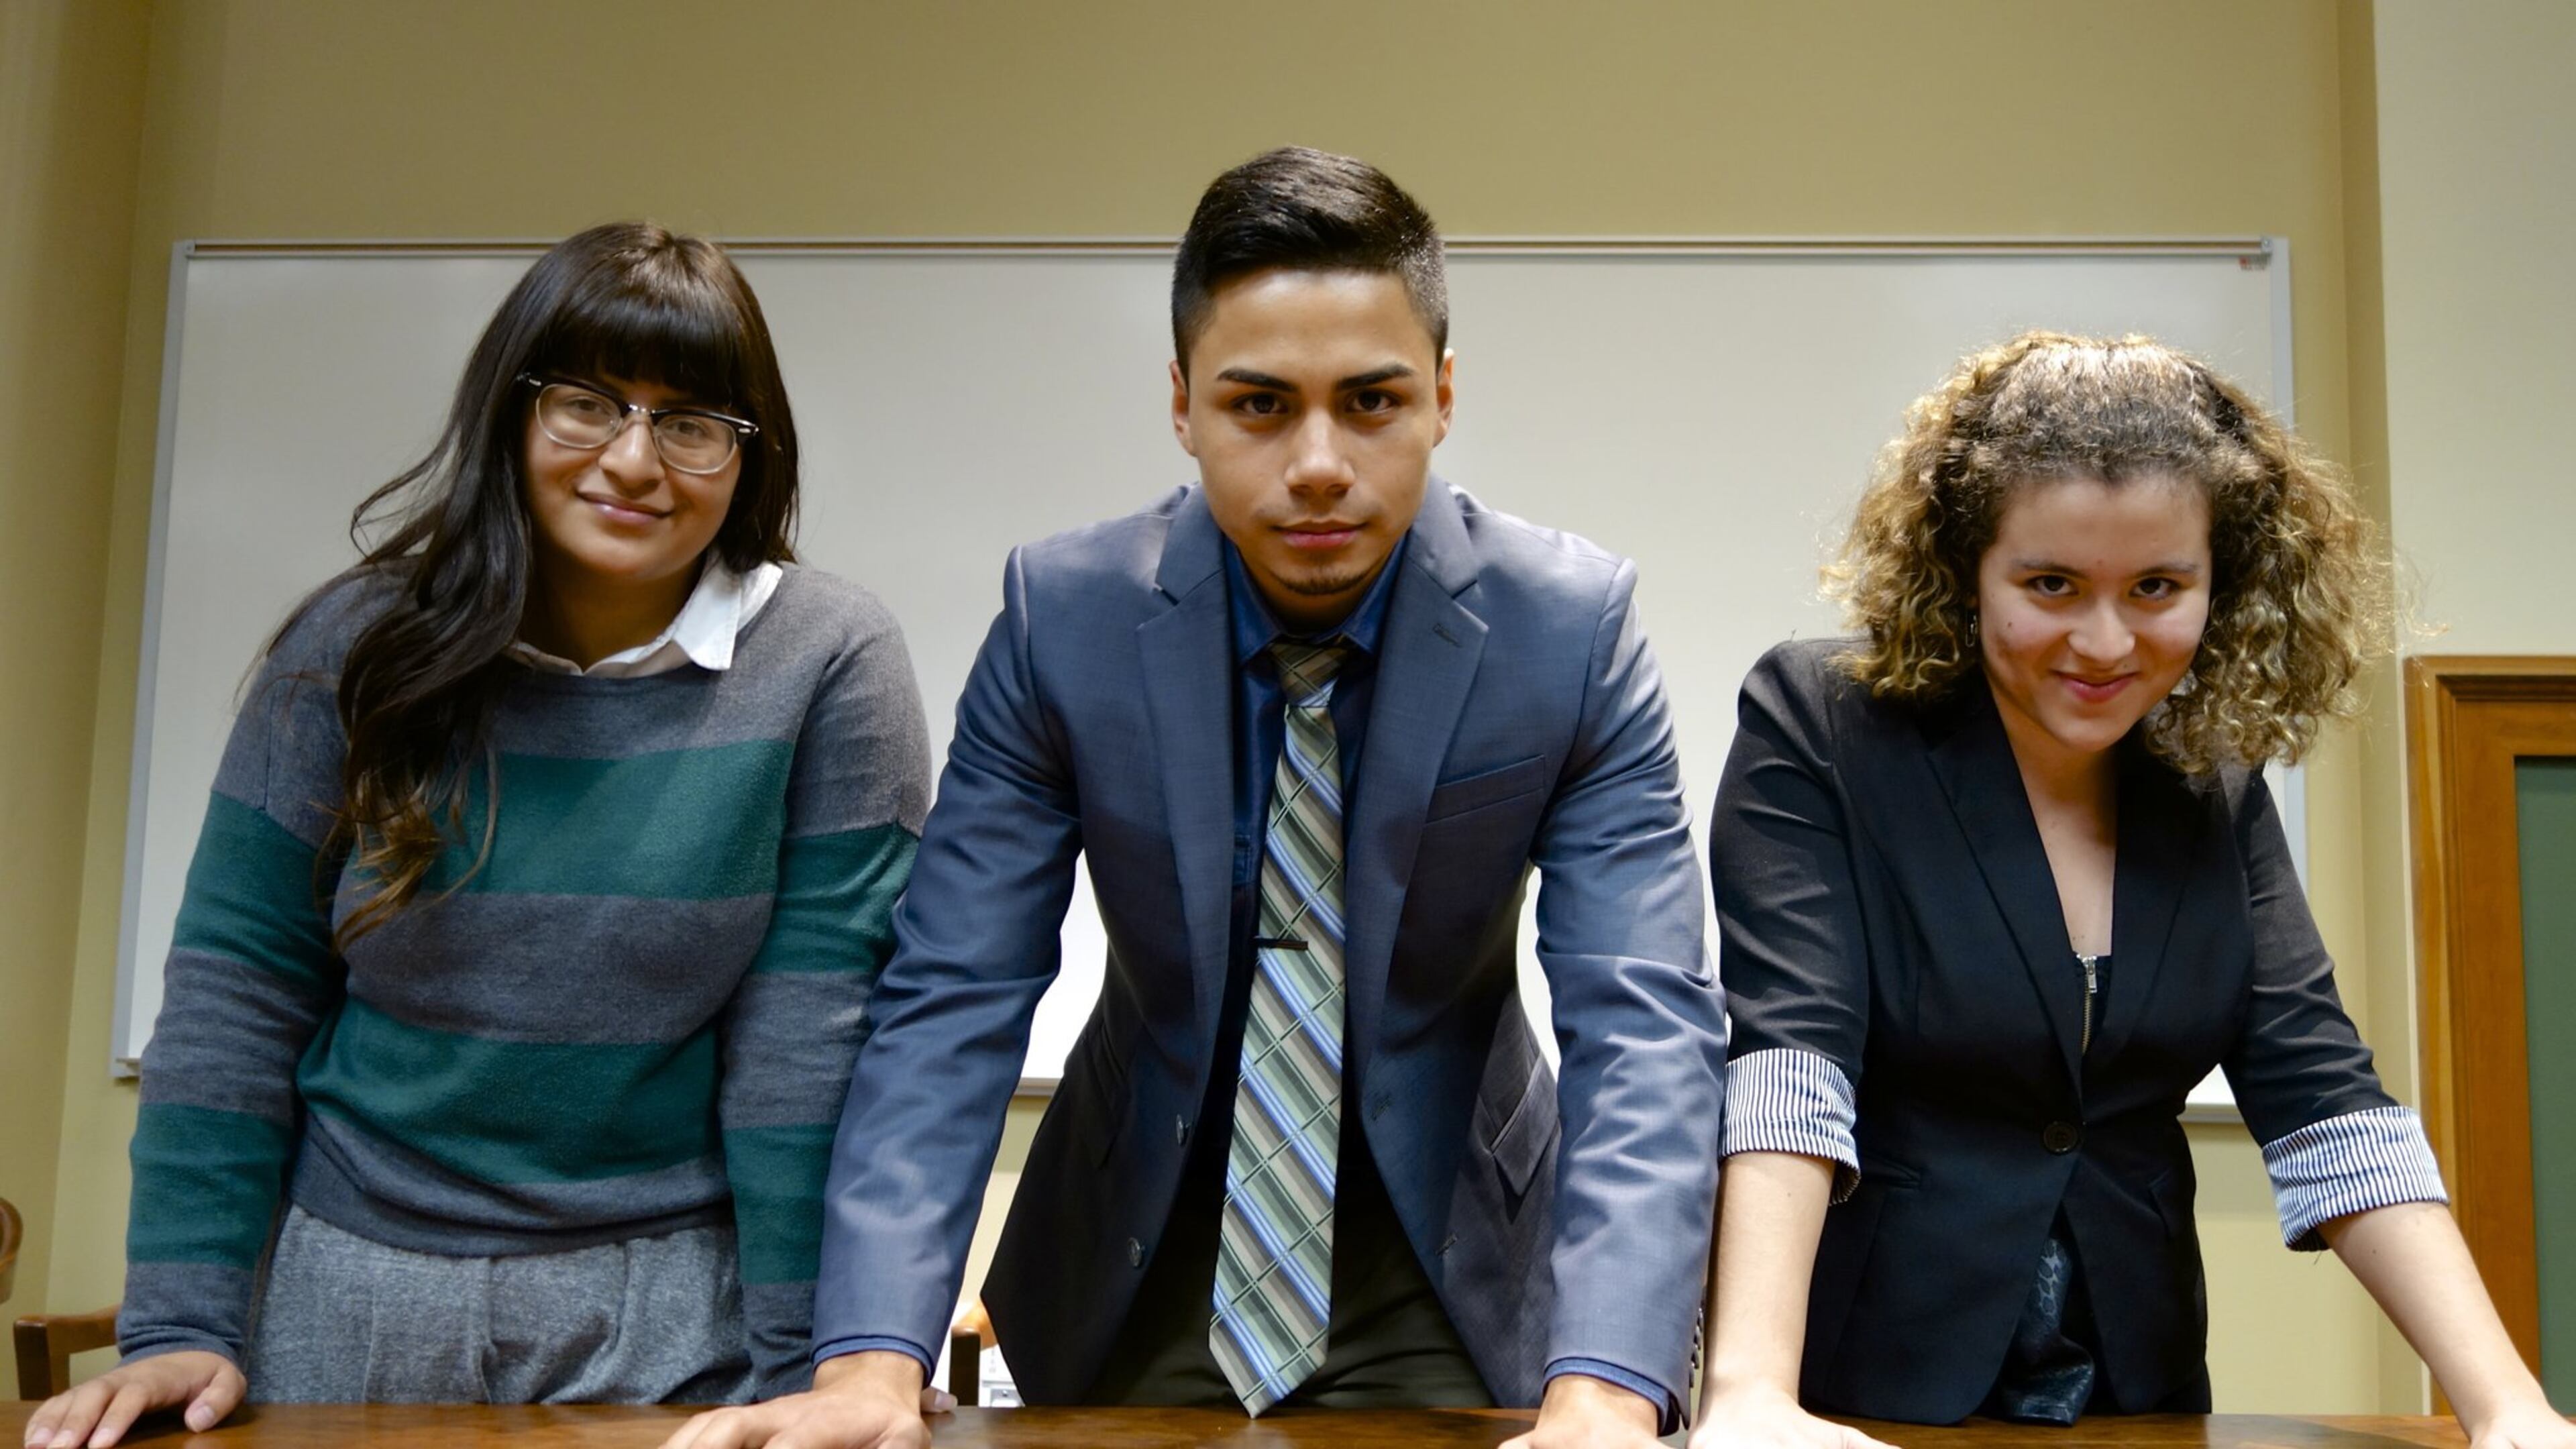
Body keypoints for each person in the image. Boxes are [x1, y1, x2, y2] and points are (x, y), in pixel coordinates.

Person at [660, 147, 1727, 1449]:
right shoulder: (1068, 621)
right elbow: (954, 993)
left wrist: (1609, 1392)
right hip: (1132, 1264)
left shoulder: (1569, 633)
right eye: (1261, 405)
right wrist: (871, 1360)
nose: (1321, 462)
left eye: (1374, 401)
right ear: (1182, 404)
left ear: (1443, 397)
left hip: (1454, 1274)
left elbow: (1645, 1022)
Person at [24, 223, 931, 1449]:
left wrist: (807, 1363)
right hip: (350, 1293)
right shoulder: (351, 645)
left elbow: (807, 1045)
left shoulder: (827, 659)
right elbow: (237, 997)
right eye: (587, 404)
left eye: (691, 422)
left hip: (669, 1311)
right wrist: (181, 1324)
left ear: (748, 454)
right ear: (510, 412)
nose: (634, 459)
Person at [1693, 332, 2573, 1445]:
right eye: (2050, 584)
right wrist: (1752, 1394)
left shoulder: (2212, 780)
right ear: (1967, 569)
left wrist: (2508, 1410)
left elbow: (2324, 1098)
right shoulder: (1823, 723)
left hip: (2139, 1379)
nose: (2105, 642)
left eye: (2158, 587)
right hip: (1866, 1382)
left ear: (2224, 582)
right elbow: (1791, 1060)